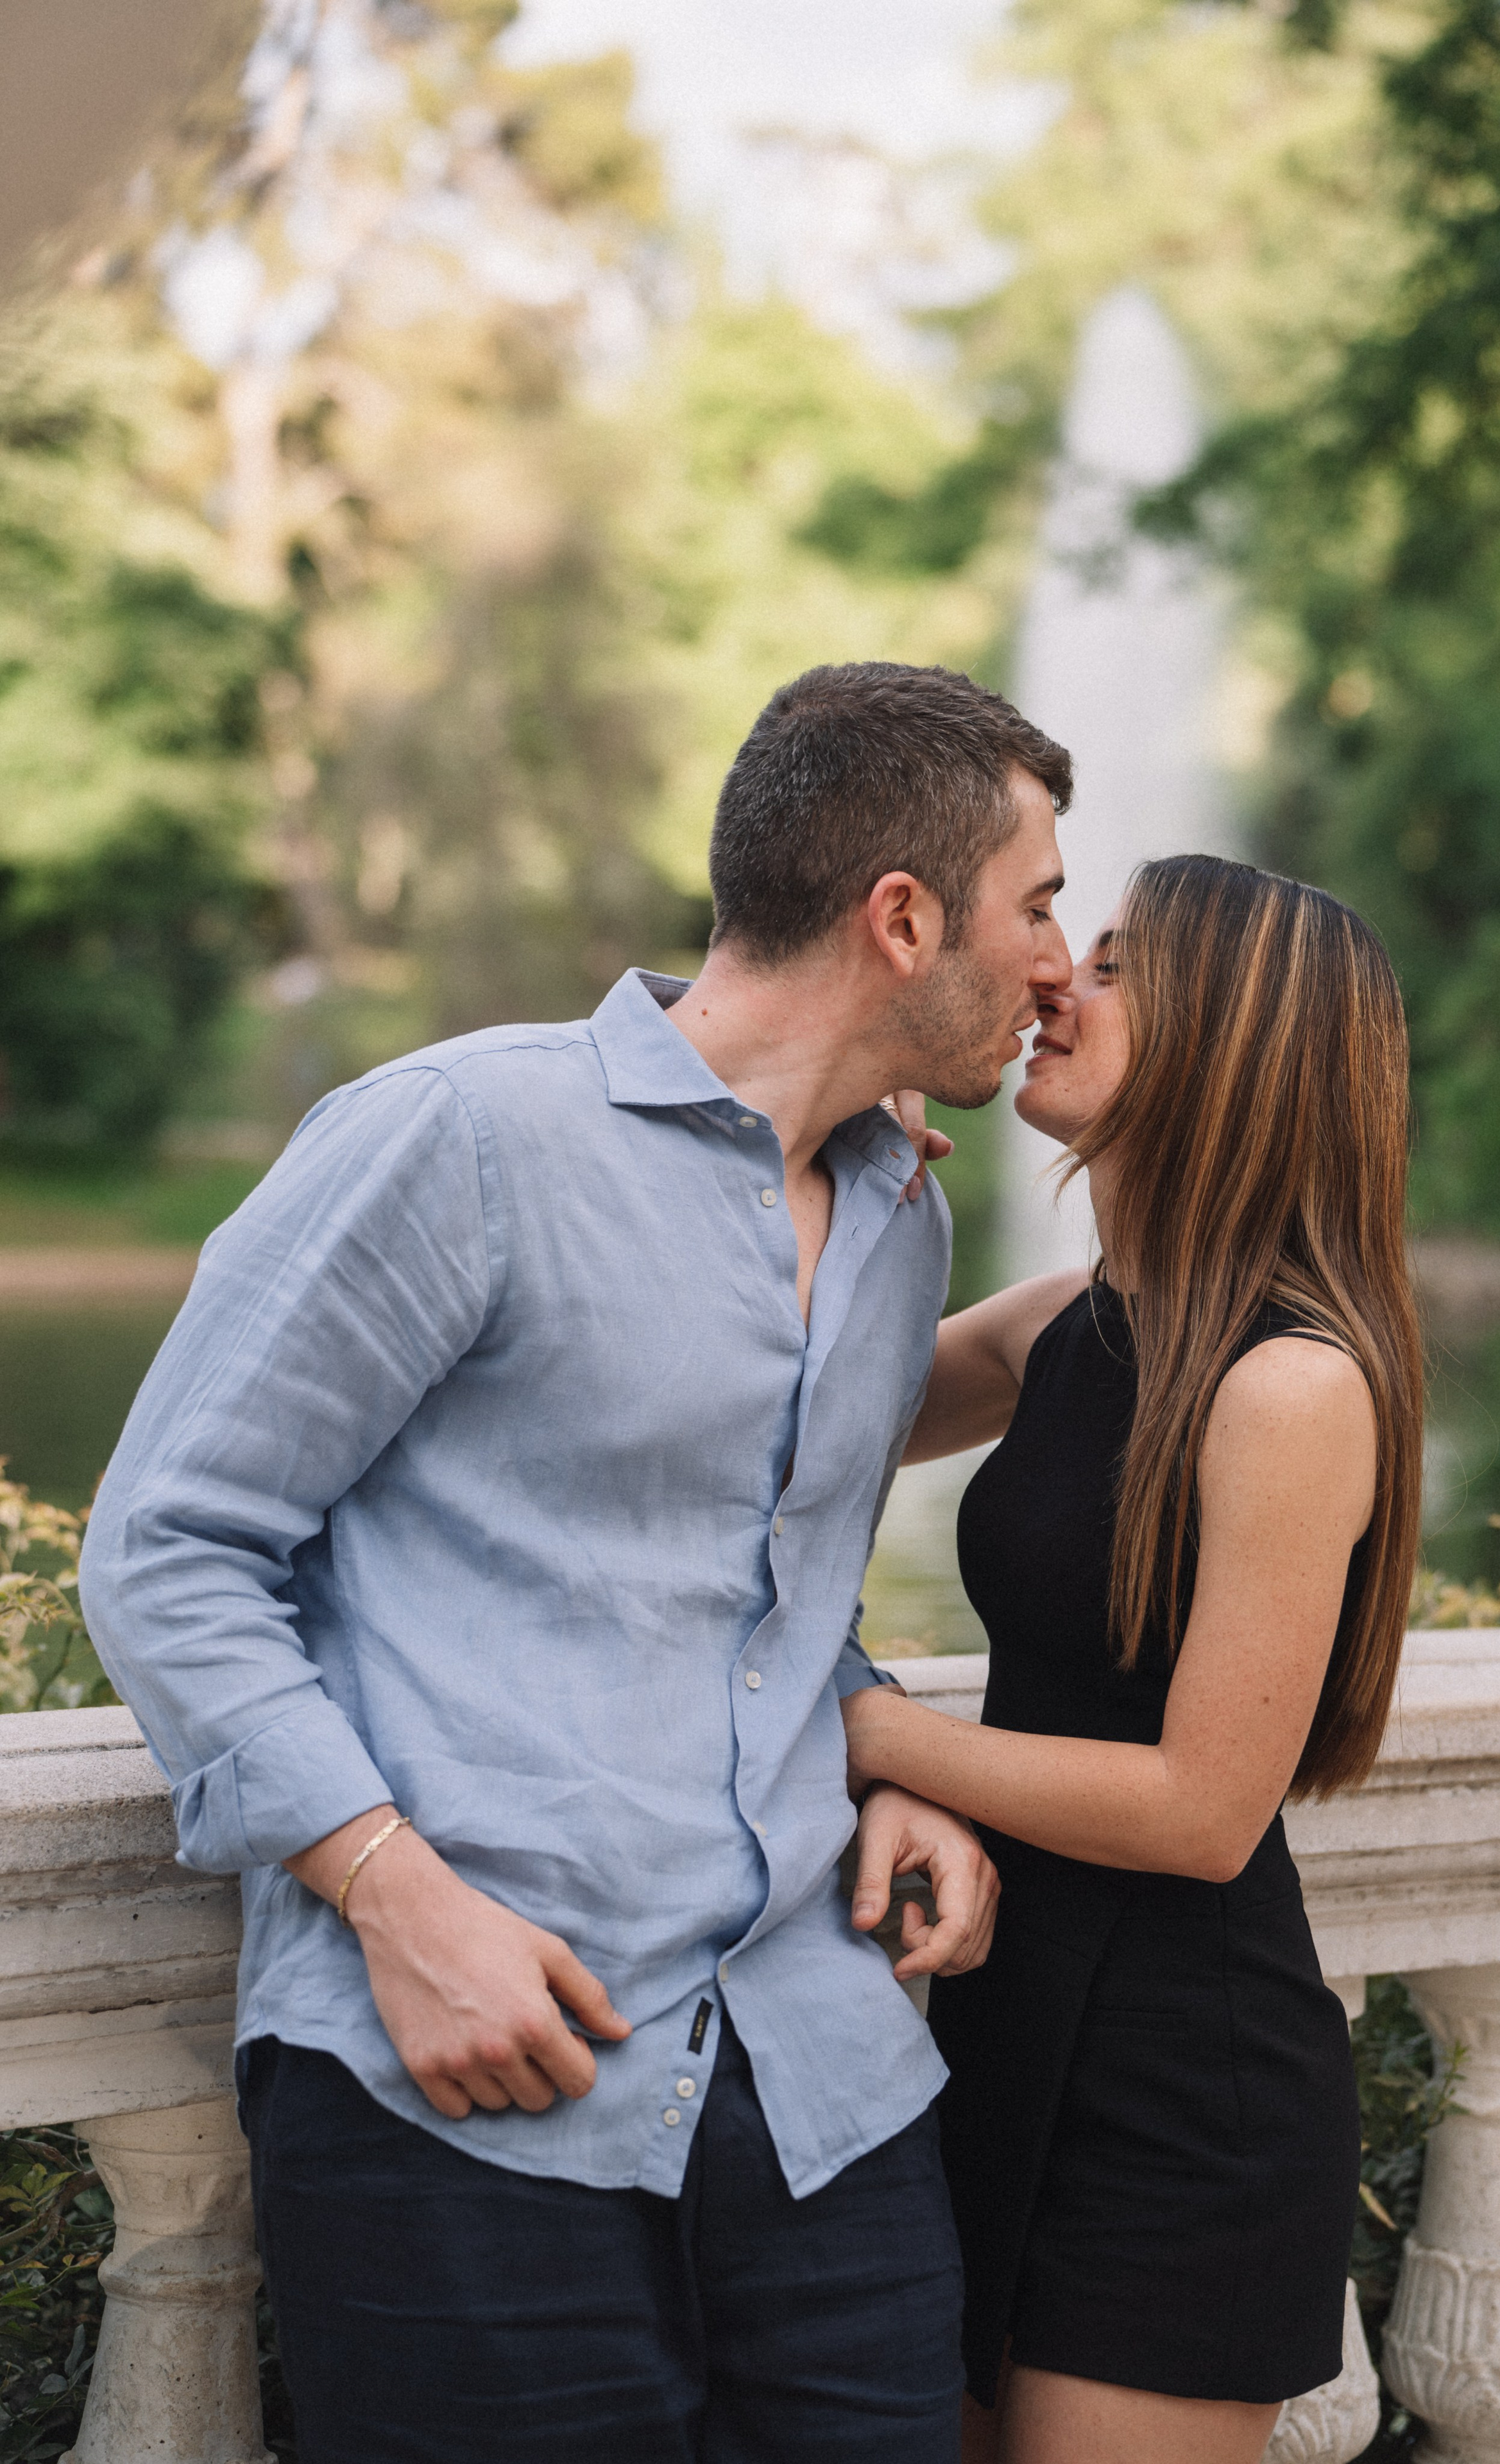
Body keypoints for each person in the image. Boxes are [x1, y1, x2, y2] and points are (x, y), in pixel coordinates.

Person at [78, 661, 1077, 2464]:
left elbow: (742, 1579)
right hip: (464, 2095)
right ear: (905, 917)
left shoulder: (897, 1222)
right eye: (1039, 906)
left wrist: (873, 1743)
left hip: (823, 2097)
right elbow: (170, 1550)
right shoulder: (462, 1140)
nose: (1060, 964)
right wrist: (397, 1894)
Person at [844, 854, 1424, 2464]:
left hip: (1182, 2087)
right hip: (990, 2016)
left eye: (1109, 965)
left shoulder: (1293, 1385)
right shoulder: (1069, 1321)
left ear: (1232, 1043)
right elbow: (800, 1421)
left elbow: (1198, 1809)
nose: (1053, 986)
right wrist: (838, 1157)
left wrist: (869, 1734)